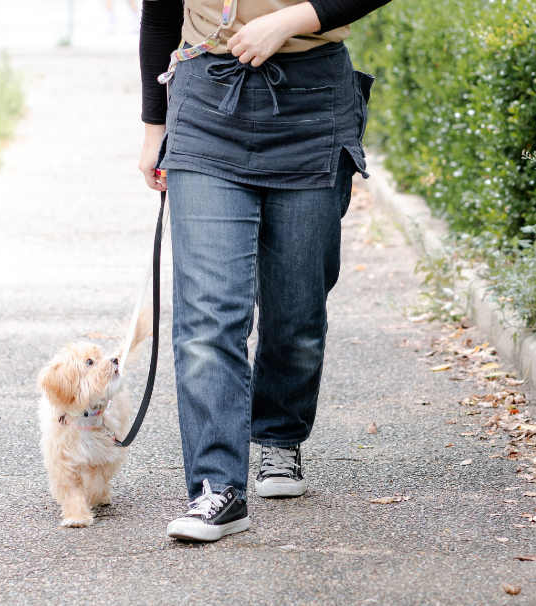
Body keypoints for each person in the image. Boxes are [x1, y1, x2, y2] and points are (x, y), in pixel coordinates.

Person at [137, 0, 390, 542]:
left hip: (312, 105)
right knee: (208, 316)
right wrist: (152, 128)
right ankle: (216, 488)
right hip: (206, 105)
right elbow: (160, 16)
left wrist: (291, 20)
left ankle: (279, 436)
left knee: (296, 316)